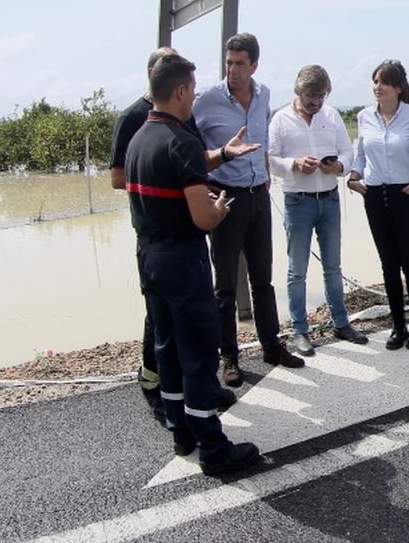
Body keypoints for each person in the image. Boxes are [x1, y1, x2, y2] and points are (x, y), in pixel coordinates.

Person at [124, 52, 260, 475]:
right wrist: (218, 210)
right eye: (193, 90)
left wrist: (222, 154)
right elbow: (203, 217)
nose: (195, 97)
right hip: (183, 257)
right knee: (199, 351)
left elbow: (182, 169)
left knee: (167, 347)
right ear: (181, 91)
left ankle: (181, 431)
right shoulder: (181, 139)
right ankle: (214, 449)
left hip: (149, 255)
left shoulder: (142, 136)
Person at [193, 32, 306, 386]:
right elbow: (189, 150)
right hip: (225, 199)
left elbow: (264, 142)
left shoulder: (264, 95)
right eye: (229, 62)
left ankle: (271, 344)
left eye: (240, 63)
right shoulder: (206, 101)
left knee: (263, 278)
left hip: (258, 195)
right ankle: (229, 357)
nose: (233, 70)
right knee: (224, 284)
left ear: (254, 65)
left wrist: (268, 173)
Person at [268, 64, 365, 357]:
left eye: (322, 96)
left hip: (330, 198)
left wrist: (338, 167)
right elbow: (269, 159)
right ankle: (300, 330)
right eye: (312, 96)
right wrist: (294, 164)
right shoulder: (280, 120)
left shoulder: (332, 115)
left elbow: (348, 152)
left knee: (333, 266)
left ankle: (341, 323)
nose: (317, 102)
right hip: (297, 200)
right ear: (298, 92)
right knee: (297, 270)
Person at [347, 60, 409, 350]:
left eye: (383, 82)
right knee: (388, 263)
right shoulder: (363, 117)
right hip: (373, 195)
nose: (377, 87)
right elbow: (360, 155)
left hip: (406, 195)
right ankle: (398, 325)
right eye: (375, 82)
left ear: (398, 87)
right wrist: (353, 177)